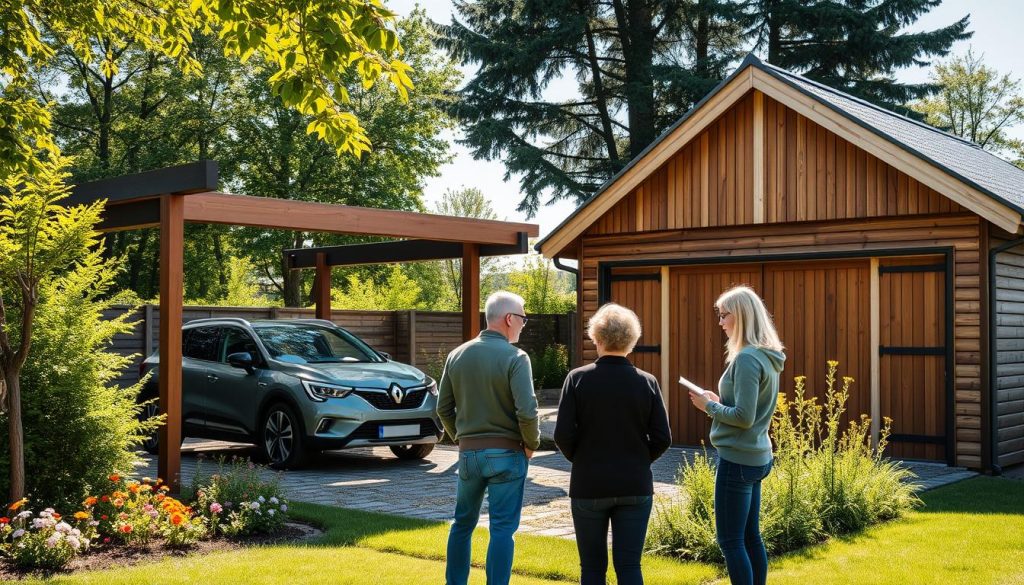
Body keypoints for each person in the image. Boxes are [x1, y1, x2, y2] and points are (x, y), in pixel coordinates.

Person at [554, 303, 672, 585]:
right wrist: (639, 459)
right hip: (634, 483)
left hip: (589, 484)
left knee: (592, 569)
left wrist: (582, 459)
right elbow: (663, 438)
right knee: (630, 565)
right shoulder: (647, 382)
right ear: (632, 341)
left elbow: (562, 434)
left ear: (596, 338)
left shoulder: (577, 379)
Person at [436, 291, 541, 585]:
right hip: (507, 455)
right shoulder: (517, 358)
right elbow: (527, 411)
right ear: (509, 319)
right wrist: (531, 445)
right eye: (522, 317)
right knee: (502, 529)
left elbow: (442, 408)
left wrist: (461, 438)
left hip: (468, 456)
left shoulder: (457, 355)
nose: (523, 324)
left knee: (462, 524)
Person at [688, 286, 785, 585]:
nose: (720, 322)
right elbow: (747, 409)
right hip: (757, 456)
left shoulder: (746, 359)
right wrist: (717, 401)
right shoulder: (767, 356)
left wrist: (710, 406)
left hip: (738, 460)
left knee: (730, 541)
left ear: (740, 316)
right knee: (750, 536)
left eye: (724, 315)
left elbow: (744, 418)